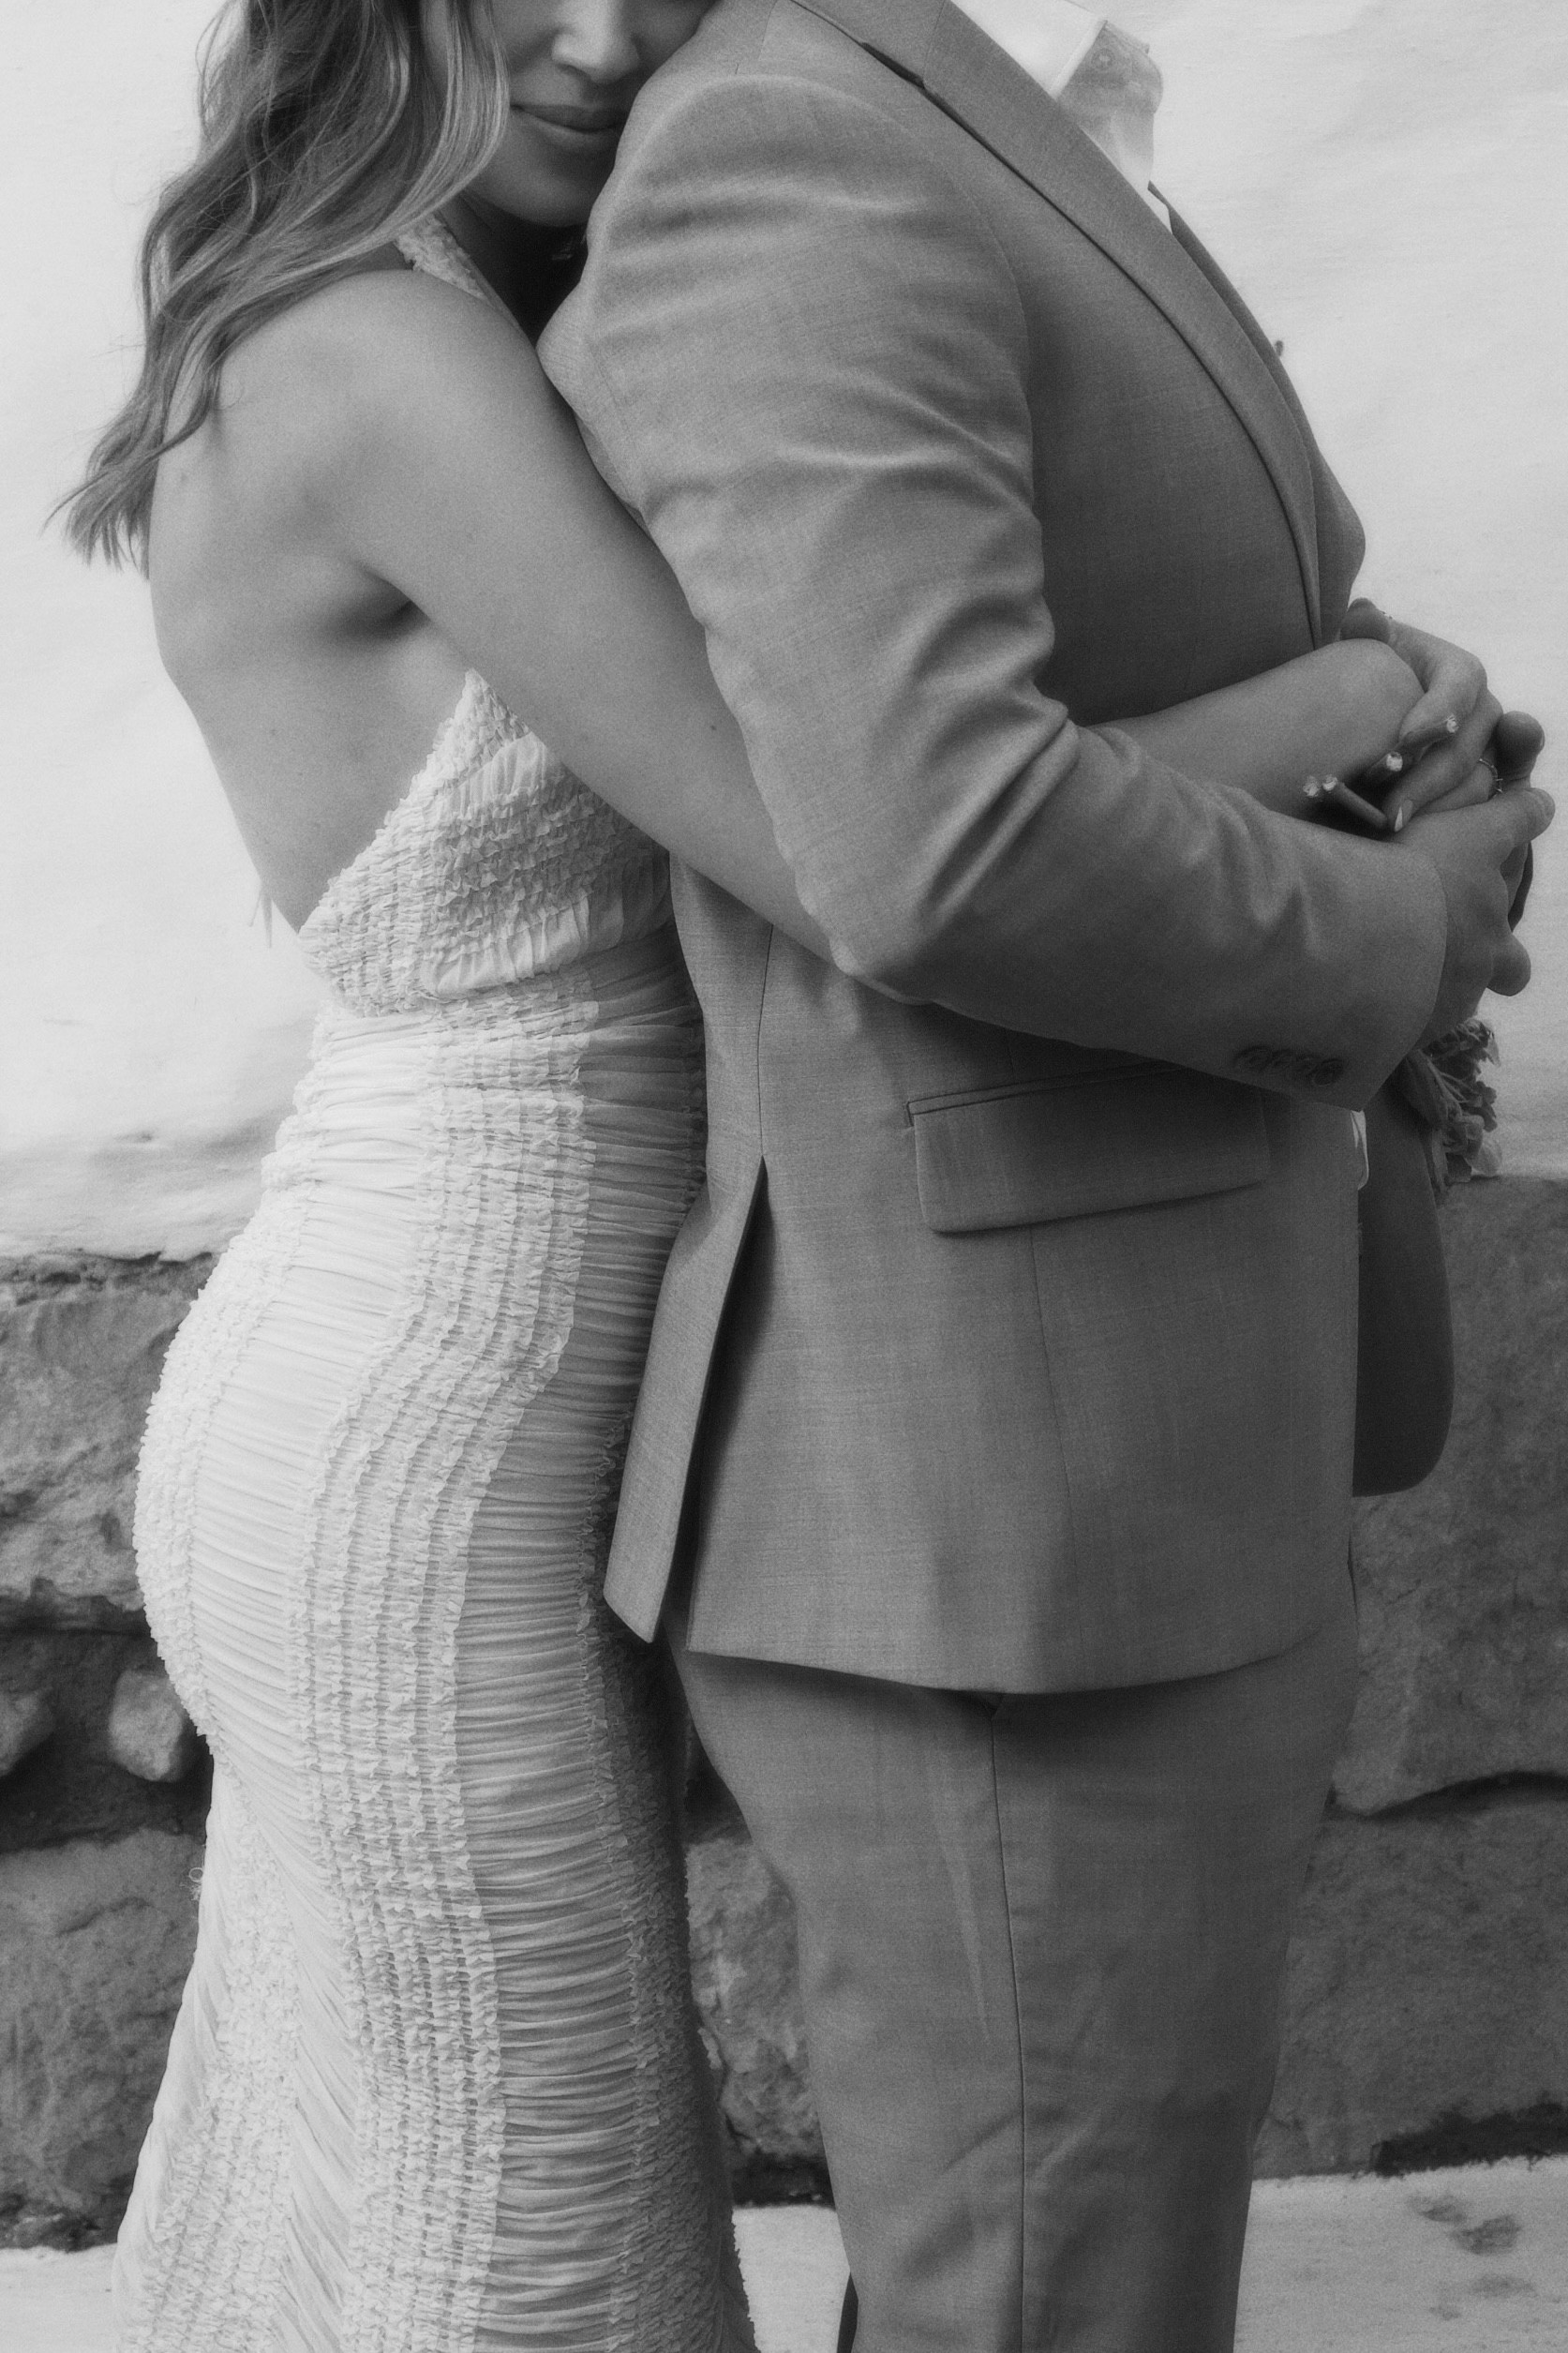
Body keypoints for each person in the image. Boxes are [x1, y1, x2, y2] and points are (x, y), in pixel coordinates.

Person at [65, 2, 1539, 2348]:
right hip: (421, 1411)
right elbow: (859, 839)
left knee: (449, 2188)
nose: (604, 36)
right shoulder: (377, 353)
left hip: (531, 1368)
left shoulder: (495, 306)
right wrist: (1357, 704)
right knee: (524, 2227)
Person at [534, 2, 1552, 2346]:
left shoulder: (947, 98)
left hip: (1128, 1425)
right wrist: (1396, 935)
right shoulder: (781, 147)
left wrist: (1388, 696)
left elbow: (1160, 615)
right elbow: (936, 836)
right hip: (1000, 1488)